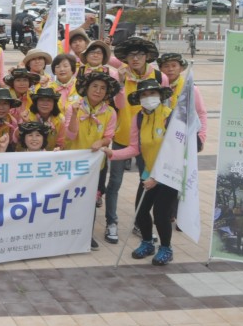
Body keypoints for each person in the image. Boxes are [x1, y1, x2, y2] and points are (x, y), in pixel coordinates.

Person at [104, 78, 176, 265]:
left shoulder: (171, 117)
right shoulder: (139, 118)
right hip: (148, 173)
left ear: (160, 95)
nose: (148, 97)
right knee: (141, 211)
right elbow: (135, 148)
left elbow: (174, 153)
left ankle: (166, 247)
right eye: (144, 94)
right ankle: (147, 242)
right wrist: (112, 153)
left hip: (167, 176)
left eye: (152, 93)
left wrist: (157, 178)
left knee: (161, 215)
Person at [107, 36, 167, 244]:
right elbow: (119, 104)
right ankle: (111, 222)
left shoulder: (159, 76)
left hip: (149, 140)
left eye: (140, 55)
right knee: (114, 183)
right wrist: (120, 83)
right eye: (131, 55)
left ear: (147, 56)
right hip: (122, 137)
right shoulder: (119, 75)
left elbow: (163, 108)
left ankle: (140, 224)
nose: (135, 59)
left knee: (146, 182)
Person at [65, 70, 120, 250]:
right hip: (73, 163)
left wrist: (101, 141)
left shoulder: (110, 112)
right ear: (86, 88)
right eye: (94, 86)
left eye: (103, 88)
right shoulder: (73, 107)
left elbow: (108, 136)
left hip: (97, 165)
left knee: (90, 200)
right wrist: (74, 115)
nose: (98, 91)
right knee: (69, 199)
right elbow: (71, 135)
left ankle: (86, 234)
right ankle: (66, 232)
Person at [157, 52, 208, 150]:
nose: (170, 69)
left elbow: (201, 113)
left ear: (180, 68)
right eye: (166, 66)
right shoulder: (155, 88)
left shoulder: (190, 89)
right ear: (160, 69)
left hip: (183, 137)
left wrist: (201, 138)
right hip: (159, 139)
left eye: (174, 65)